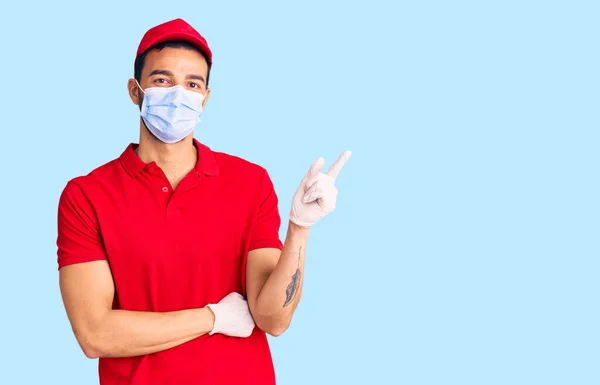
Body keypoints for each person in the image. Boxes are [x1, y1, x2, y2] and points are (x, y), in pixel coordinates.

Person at [56, 18, 350, 385]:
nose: (179, 95)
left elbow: (273, 319)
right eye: (162, 80)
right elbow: (94, 334)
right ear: (135, 91)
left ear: (205, 98)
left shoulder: (250, 182)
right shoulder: (87, 195)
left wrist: (300, 228)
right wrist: (214, 318)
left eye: (192, 84)